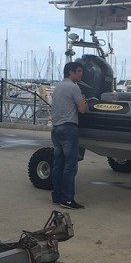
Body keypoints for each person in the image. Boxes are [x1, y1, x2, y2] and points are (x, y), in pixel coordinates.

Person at [51, 62, 87, 209]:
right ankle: (67, 199)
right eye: (79, 71)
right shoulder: (74, 87)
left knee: (58, 165)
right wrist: (83, 100)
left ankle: (57, 196)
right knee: (70, 167)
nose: (81, 74)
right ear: (71, 73)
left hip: (56, 129)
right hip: (68, 129)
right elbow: (82, 109)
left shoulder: (58, 86)